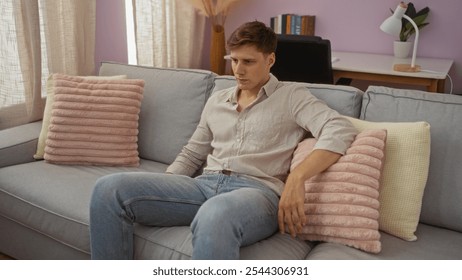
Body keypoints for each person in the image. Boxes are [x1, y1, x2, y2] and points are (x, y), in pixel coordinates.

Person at [89, 21, 357, 260]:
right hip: (203, 187)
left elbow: (338, 129)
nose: (238, 70)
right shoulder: (217, 100)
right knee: (108, 189)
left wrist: (298, 177)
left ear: (270, 59)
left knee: (216, 213)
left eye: (248, 62)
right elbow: (192, 154)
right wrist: (165, 187)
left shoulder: (292, 96)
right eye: (235, 60)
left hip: (257, 194)